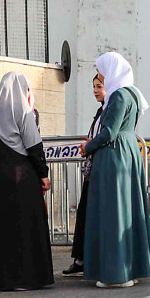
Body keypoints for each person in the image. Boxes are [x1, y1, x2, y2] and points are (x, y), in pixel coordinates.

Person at [80, 51, 150, 288]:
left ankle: (115, 273)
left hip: (114, 156)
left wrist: (88, 147)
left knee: (113, 213)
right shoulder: (131, 92)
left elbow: (109, 131)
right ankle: (129, 268)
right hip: (128, 150)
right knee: (127, 211)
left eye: (101, 70)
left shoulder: (119, 95)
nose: (99, 74)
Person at [0, 72, 55, 290]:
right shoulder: (23, 110)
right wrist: (44, 174)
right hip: (21, 175)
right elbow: (33, 145)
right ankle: (24, 278)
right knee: (23, 225)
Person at [64, 71, 108, 277]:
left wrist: (90, 144)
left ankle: (87, 258)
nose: (95, 91)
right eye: (94, 87)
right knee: (83, 212)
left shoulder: (109, 110)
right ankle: (80, 258)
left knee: (90, 213)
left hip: (101, 169)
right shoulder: (101, 111)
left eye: (99, 86)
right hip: (93, 169)